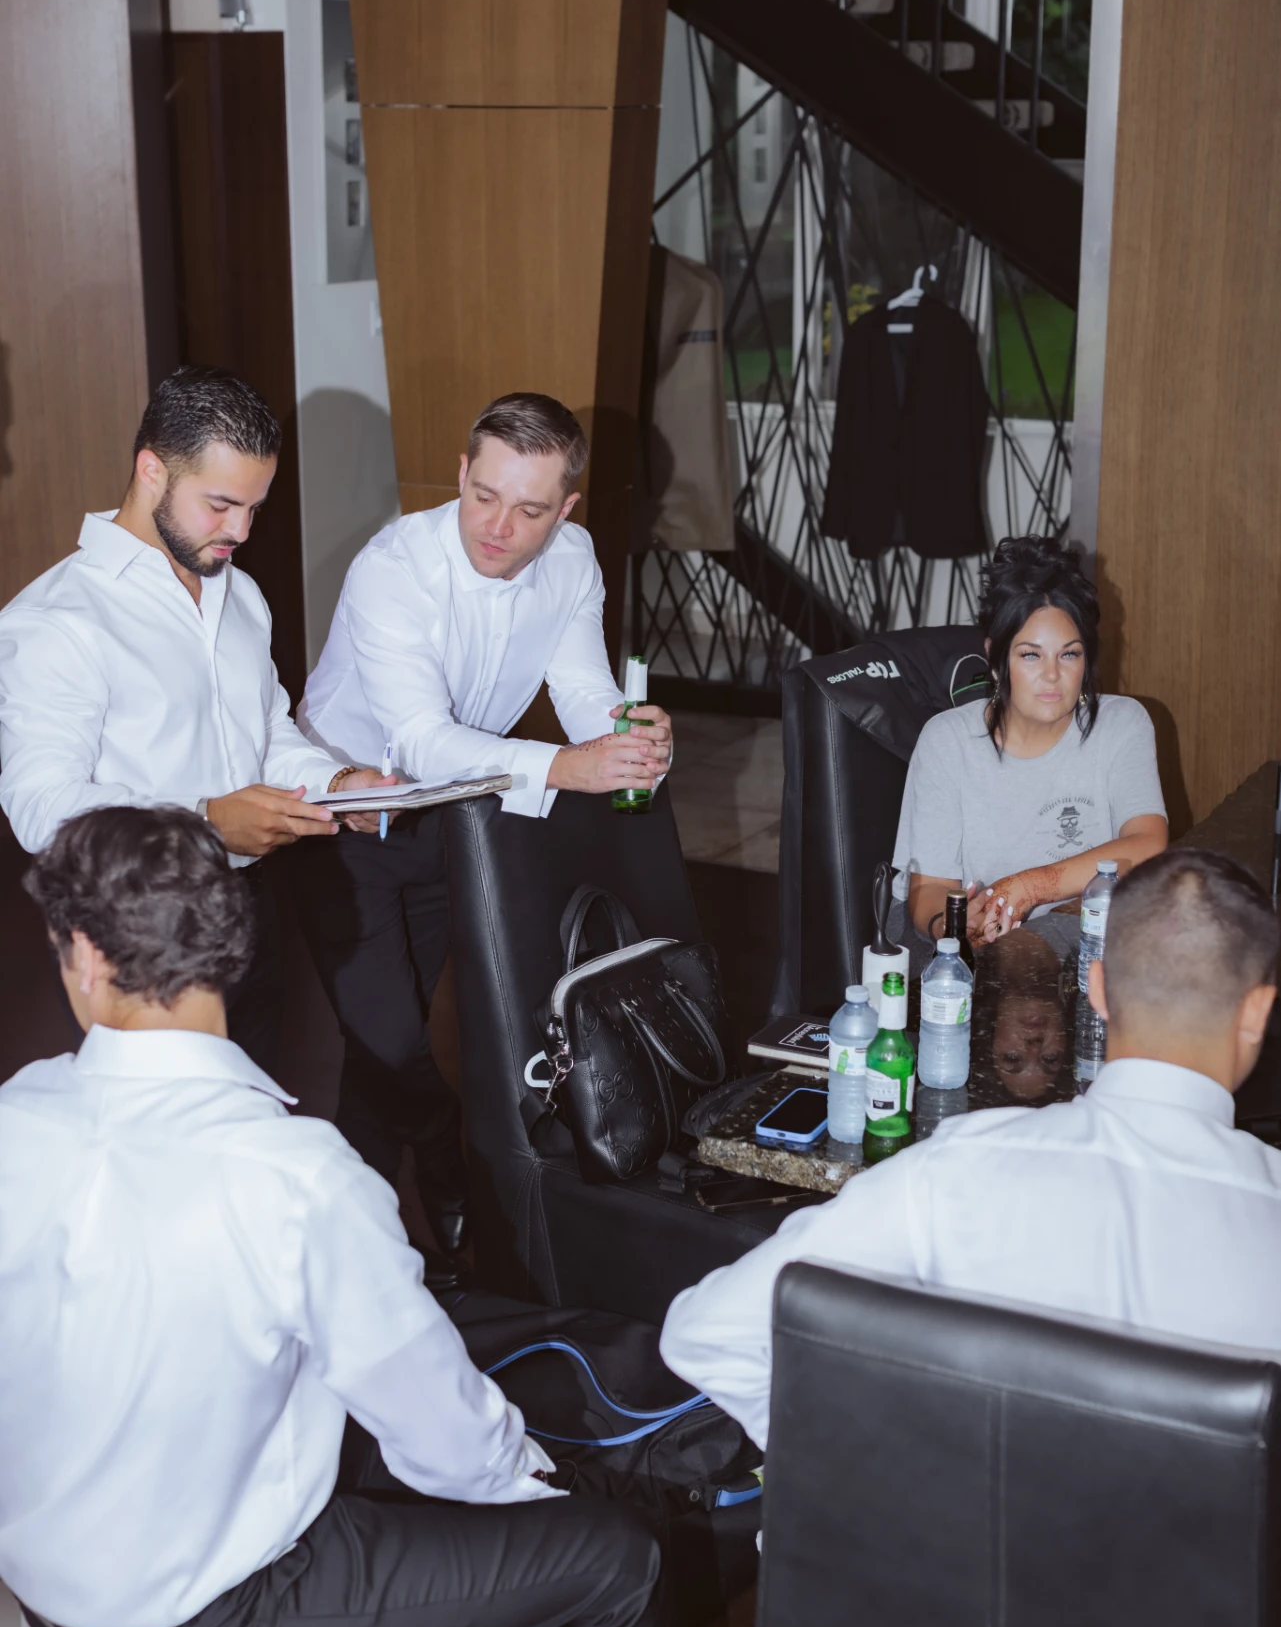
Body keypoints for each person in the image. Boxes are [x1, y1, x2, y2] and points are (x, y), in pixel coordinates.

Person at [0, 805, 722, 1627]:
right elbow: (451, 1451)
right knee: (615, 1561)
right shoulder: (296, 1176)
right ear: (232, 945)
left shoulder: (19, 1114)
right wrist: (547, 1486)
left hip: (45, 1581)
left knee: (375, 1439)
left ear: (86, 955)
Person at [661, 848, 1281, 1449]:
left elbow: (708, 1333)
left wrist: (864, 1485)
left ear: (1097, 988)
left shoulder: (957, 1169)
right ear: (1259, 1010)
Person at [293, 392, 672, 1261]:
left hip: (451, 816)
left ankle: (351, 1241)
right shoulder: (394, 569)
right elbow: (421, 739)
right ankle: (444, 1161)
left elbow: (581, 688)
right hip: (345, 813)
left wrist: (626, 732)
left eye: (529, 510)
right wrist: (567, 766)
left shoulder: (572, 559)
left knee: (378, 1043)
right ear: (461, 473)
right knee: (387, 1039)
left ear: (565, 509)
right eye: (483, 495)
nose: (498, 527)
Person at [0, 366, 391, 1073]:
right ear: (152, 470)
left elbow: (266, 733)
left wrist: (337, 782)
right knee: (162, 1129)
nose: (240, 530)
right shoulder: (56, 621)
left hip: (247, 907)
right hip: (132, 926)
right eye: (220, 504)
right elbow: (41, 808)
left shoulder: (240, 593)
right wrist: (207, 820)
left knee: (254, 1099)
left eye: (254, 507)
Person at [893, 534, 1168, 947]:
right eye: (1031, 655)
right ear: (996, 659)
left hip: (1082, 940)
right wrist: (958, 927)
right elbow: (930, 888)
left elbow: (1147, 844)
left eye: (1069, 654)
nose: (1053, 675)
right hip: (963, 954)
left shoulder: (1122, 724)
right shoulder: (946, 742)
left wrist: (1029, 888)